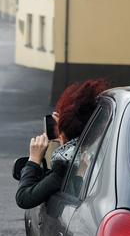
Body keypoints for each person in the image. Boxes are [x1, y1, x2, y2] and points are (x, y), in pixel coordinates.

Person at [15, 79, 108, 209]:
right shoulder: (103, 148)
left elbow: (24, 198)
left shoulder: (65, 165)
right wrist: (64, 129)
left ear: (63, 133)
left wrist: (34, 160)